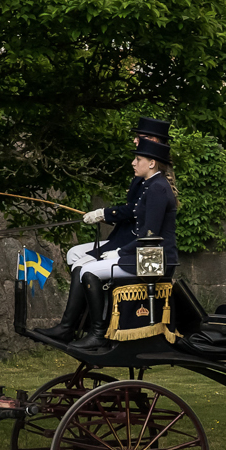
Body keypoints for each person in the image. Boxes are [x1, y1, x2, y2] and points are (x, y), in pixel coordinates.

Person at [36, 123, 179, 345]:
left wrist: (120, 252)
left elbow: (149, 235)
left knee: (87, 270)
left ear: (151, 163)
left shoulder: (158, 188)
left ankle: (97, 333)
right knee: (84, 267)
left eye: (138, 160)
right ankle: (83, 327)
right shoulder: (152, 185)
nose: (133, 162)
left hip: (154, 260)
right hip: (146, 254)